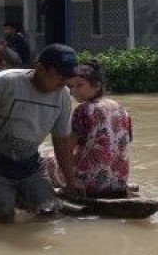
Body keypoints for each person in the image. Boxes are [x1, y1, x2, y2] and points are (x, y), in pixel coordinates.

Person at [0, 44, 81, 223]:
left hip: (28, 160)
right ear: (40, 68)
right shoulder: (3, 82)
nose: (64, 82)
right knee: (2, 218)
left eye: (68, 77)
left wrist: (70, 180)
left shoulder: (63, 97)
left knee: (48, 211)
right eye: (59, 75)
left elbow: (61, 139)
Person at [48, 60, 134, 198]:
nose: (73, 91)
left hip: (90, 184)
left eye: (80, 85)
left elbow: (67, 147)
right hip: (119, 182)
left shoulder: (83, 109)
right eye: (71, 86)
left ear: (97, 86)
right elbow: (126, 142)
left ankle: (69, 187)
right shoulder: (121, 108)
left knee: (50, 159)